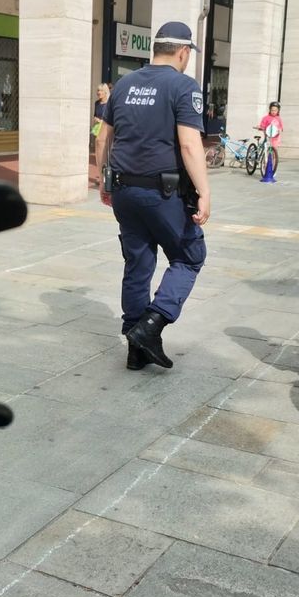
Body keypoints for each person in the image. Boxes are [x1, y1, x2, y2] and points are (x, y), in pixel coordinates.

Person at [94, 20, 210, 371]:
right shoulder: (183, 86)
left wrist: (104, 180)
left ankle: (136, 349)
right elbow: (189, 144)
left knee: (138, 262)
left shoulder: (124, 84)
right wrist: (204, 191)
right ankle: (152, 323)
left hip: (124, 191)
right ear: (183, 52)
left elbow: (103, 137)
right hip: (164, 194)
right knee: (189, 256)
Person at [255, 101, 283, 183]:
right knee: (266, 153)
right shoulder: (266, 118)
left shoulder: (279, 119)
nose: (274, 111)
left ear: (278, 111)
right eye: (272, 110)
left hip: (275, 138)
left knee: (273, 154)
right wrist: (260, 127)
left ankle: (272, 169)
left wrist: (280, 130)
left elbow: (281, 127)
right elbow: (262, 126)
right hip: (268, 137)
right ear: (270, 110)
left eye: (275, 110)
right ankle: (265, 167)